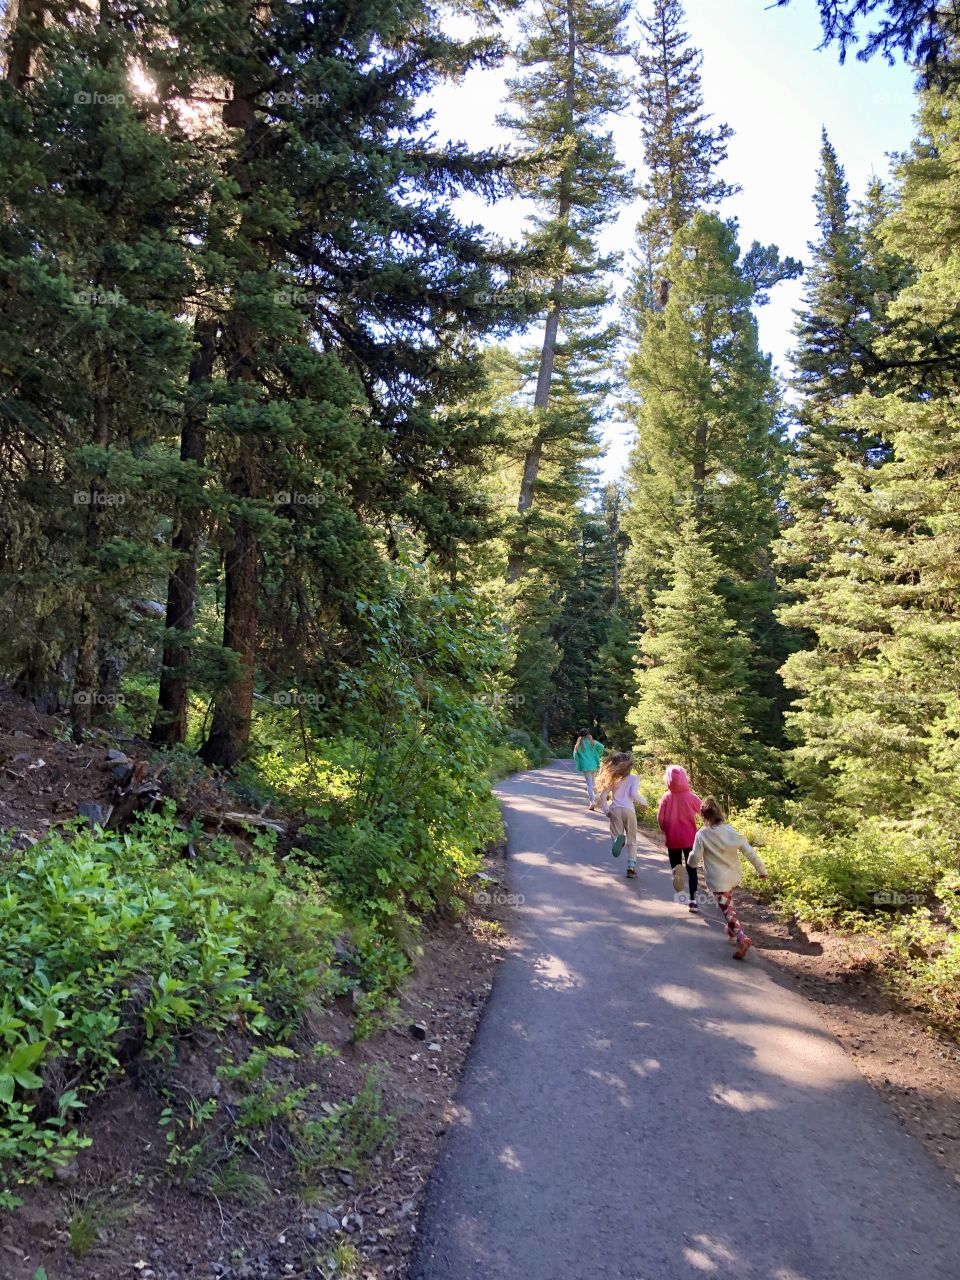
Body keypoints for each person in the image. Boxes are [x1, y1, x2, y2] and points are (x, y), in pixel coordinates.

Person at [688, 797, 767, 959]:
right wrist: (761, 869)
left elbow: (695, 858)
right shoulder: (730, 830)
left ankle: (741, 937)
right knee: (728, 904)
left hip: (718, 881)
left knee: (727, 910)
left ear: (702, 815)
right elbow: (749, 851)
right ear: (719, 813)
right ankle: (731, 932)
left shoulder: (701, 835)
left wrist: (689, 861)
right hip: (733, 877)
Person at [657, 764, 703, 912]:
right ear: (684, 779)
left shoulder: (666, 797)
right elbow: (705, 813)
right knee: (692, 870)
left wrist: (666, 830)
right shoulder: (692, 797)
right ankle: (693, 901)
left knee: (676, 866)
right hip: (690, 839)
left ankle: (678, 874)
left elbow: (661, 818)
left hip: (673, 838)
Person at [595, 752, 648, 879]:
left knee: (616, 835)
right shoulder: (634, 778)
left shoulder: (613, 779)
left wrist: (606, 810)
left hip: (615, 810)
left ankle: (616, 843)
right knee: (632, 841)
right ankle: (631, 867)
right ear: (629, 766)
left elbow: (603, 796)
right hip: (629, 810)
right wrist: (644, 802)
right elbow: (634, 794)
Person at [572, 730, 604, 809]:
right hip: (593, 764)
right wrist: (597, 753)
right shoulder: (593, 742)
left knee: (589, 784)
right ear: (588, 734)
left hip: (585, 766)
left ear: (580, 735)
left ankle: (592, 802)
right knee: (593, 782)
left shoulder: (578, 744)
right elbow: (602, 747)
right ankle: (597, 796)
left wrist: (579, 761)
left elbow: (575, 755)